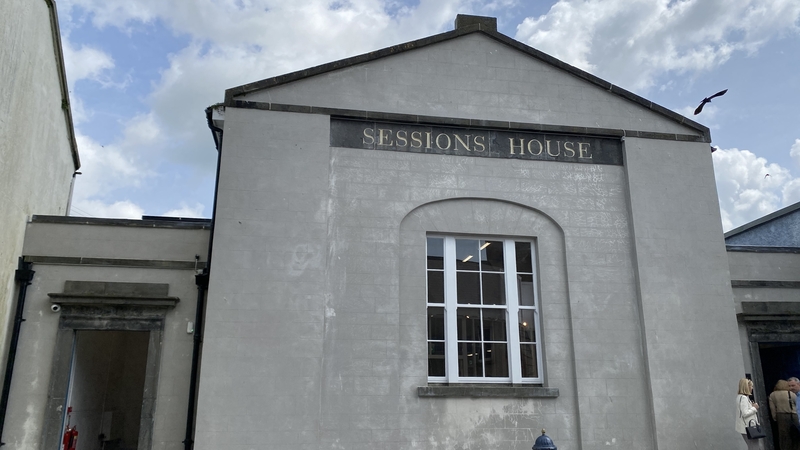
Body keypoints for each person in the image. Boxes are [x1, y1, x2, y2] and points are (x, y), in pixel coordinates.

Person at [768, 380, 800, 450]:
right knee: (796, 434)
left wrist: (775, 418)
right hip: (793, 415)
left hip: (781, 416)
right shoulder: (791, 394)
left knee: (784, 436)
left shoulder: (772, 395)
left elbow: (772, 408)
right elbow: (797, 404)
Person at [737, 378, 763, 449]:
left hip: (745, 427)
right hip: (748, 427)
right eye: (751, 386)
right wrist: (754, 408)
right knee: (754, 447)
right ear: (747, 387)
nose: (752, 388)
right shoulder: (744, 398)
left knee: (752, 446)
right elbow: (745, 413)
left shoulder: (740, 397)